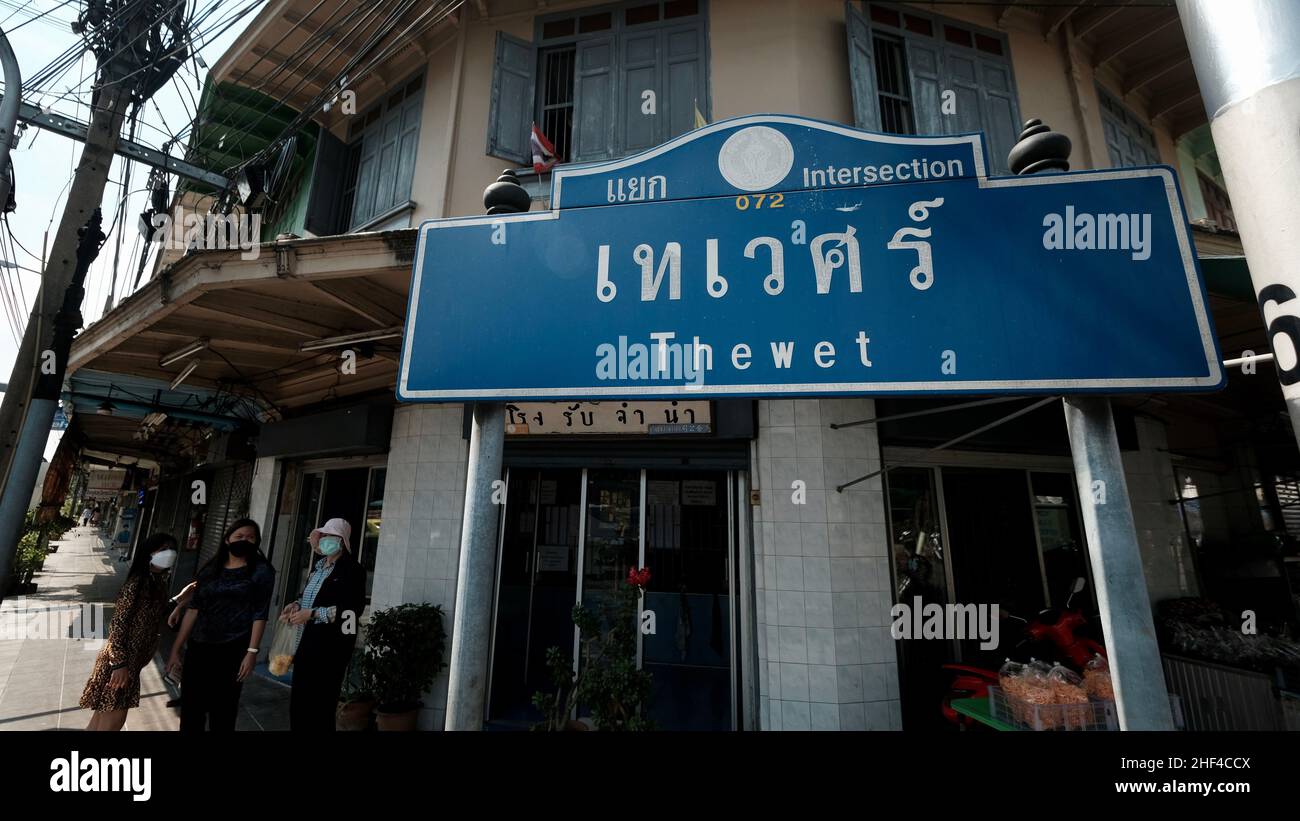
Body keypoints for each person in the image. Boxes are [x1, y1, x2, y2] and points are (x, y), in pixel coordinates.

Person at [166, 519, 274, 731]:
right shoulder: (211, 569)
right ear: (227, 539)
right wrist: (176, 649)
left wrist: (251, 652)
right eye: (239, 536)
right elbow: (195, 609)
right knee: (191, 710)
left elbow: (260, 614)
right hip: (199, 647)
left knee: (223, 711)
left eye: (251, 537)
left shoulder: (261, 571)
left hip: (233, 650)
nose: (245, 540)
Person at [80, 533, 179, 731]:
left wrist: (178, 600)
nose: (169, 554)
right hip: (120, 663)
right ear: (148, 554)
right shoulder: (137, 583)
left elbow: (153, 612)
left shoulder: (157, 581)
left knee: (101, 720)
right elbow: (117, 625)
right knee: (111, 722)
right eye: (163, 549)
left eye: (171, 549)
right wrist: (119, 664)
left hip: (130, 663)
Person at [281, 518, 366, 731]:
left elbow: (351, 610)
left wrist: (311, 614)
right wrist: (296, 605)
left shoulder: (352, 570)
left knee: (320, 708)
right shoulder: (317, 568)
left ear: (343, 541)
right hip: (305, 645)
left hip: (330, 650)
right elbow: (307, 597)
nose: (327, 539)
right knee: (299, 705)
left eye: (333, 536)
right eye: (325, 535)